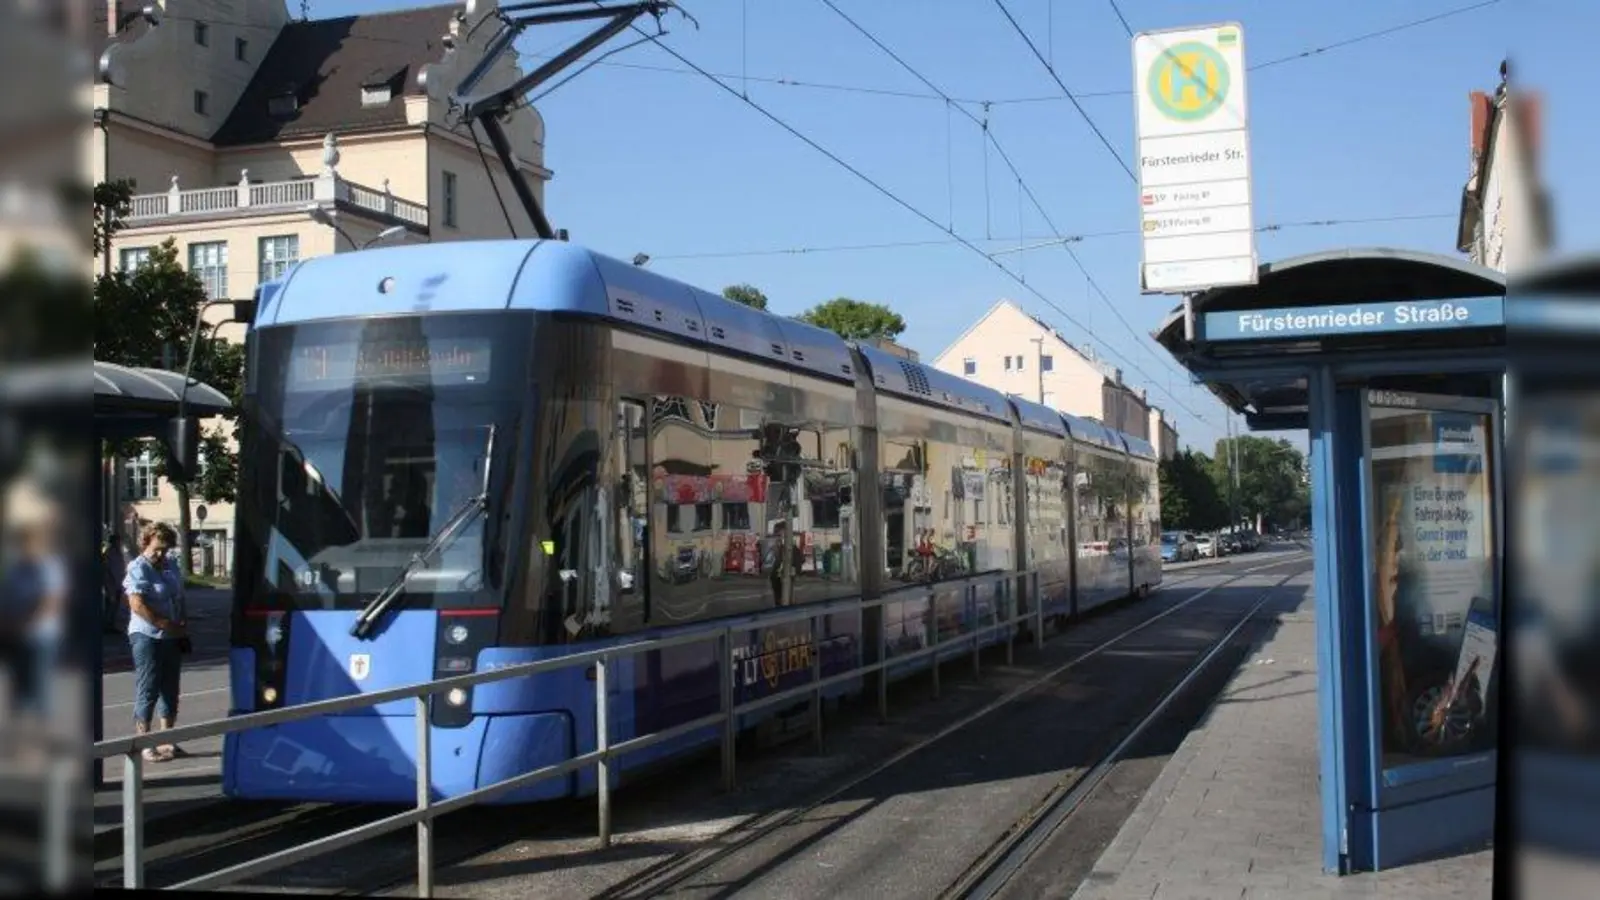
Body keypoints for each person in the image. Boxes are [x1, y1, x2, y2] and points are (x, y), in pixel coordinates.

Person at [123, 521, 189, 762]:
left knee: (170, 688)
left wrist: (182, 625)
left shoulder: (170, 566)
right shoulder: (138, 567)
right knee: (148, 687)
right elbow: (137, 604)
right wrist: (162, 623)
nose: (161, 554)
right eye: (157, 549)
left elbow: (179, 596)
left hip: (172, 635)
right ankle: (144, 743)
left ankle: (167, 739)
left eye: (165, 549)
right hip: (146, 635)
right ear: (145, 543)